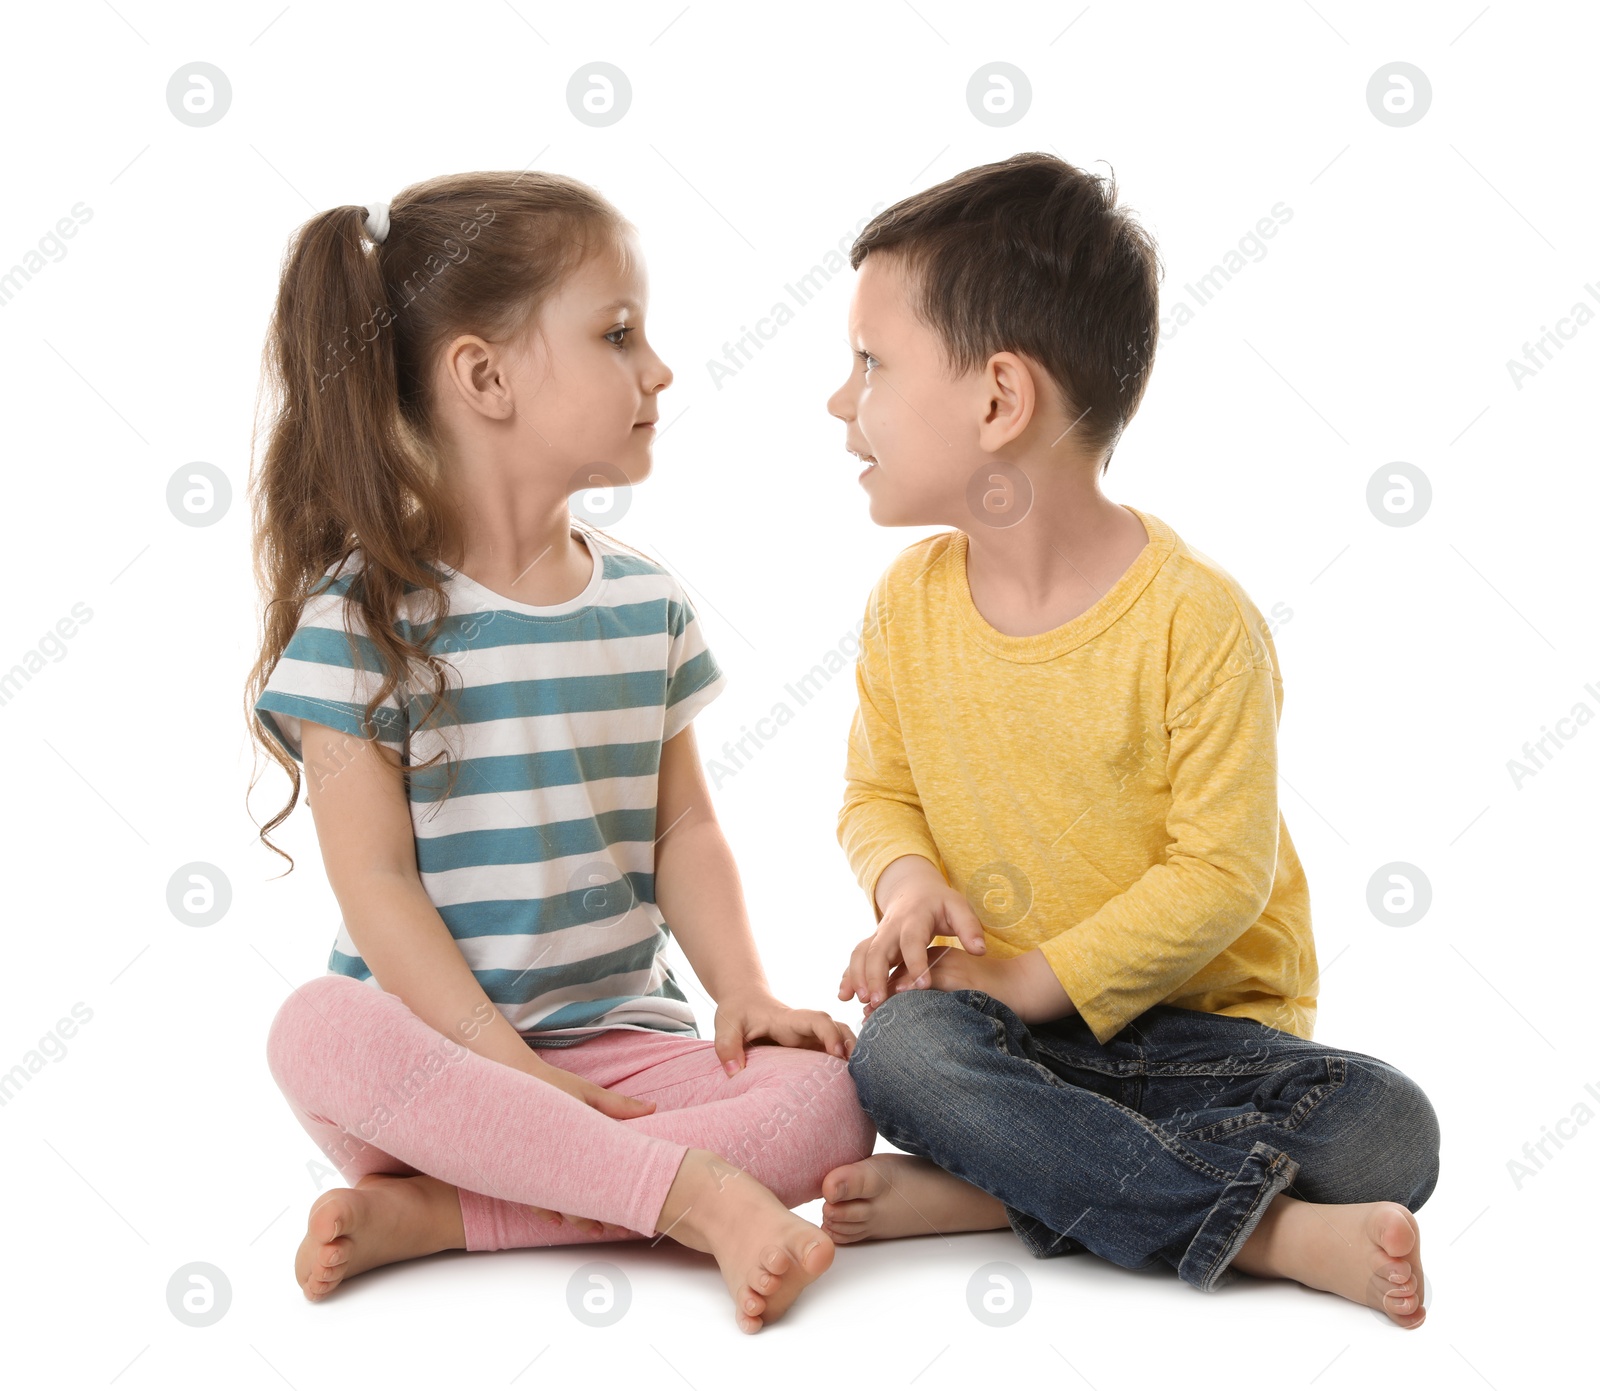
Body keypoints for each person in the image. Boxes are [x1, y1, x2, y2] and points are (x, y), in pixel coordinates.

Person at [246, 171, 875, 1334]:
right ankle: (694, 1196)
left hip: (627, 1047)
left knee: (832, 1098)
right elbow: (374, 886)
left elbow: (682, 826)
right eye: (618, 333)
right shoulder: (355, 625)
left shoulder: (644, 605)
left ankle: (453, 1216)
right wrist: (507, 1071)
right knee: (313, 1028)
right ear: (483, 375)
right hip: (438, 1063)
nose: (661, 369)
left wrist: (743, 994)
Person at [819, 152, 1440, 1328]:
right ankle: (1259, 1229)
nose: (840, 401)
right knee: (900, 1053)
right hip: (1013, 1036)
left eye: (868, 364)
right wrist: (908, 886)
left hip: (1200, 1042)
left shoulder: (1197, 622)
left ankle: (1002, 1180)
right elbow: (877, 791)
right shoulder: (906, 604)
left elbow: (1217, 879)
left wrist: (1024, 975)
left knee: (1386, 1129)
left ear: (999, 401)